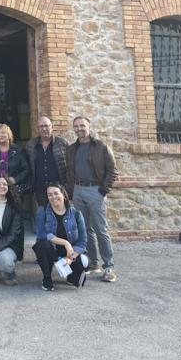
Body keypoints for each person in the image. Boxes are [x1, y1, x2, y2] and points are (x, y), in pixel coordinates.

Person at [65, 116, 118, 282]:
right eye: (76, 126)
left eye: (82, 125)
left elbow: (112, 170)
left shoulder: (101, 146)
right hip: (78, 190)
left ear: (88, 127)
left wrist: (103, 190)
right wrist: (71, 191)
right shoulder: (72, 148)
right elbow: (69, 171)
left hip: (95, 190)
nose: (79, 128)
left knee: (101, 229)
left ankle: (109, 267)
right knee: (85, 229)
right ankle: (93, 263)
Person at [33, 184, 89, 291]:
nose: (53, 197)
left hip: (70, 252)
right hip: (52, 250)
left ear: (63, 194)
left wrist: (70, 258)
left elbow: (82, 241)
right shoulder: (43, 211)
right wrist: (65, 243)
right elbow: (41, 234)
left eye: (56, 193)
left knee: (82, 268)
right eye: (49, 195)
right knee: (42, 244)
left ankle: (71, 276)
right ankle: (47, 278)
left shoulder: (76, 213)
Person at [24, 116, 68, 208]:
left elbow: (70, 165)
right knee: (43, 215)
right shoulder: (30, 145)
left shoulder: (62, 143)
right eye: (41, 126)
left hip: (59, 189)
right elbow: (27, 167)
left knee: (60, 214)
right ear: (37, 129)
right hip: (40, 190)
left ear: (52, 127)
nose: (44, 129)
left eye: (46, 126)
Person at [0, 123, 30, 195]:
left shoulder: (19, 150)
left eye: (3, 133)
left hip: (14, 189)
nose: (0, 135)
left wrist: (15, 179)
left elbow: (26, 169)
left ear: (9, 135)